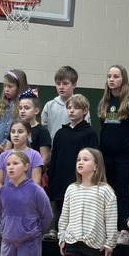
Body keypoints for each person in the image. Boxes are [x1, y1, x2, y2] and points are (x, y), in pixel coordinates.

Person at [0, 151, 53, 256]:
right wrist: (7, 229)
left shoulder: (35, 190)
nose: (11, 167)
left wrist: (35, 232)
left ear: (26, 166)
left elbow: (47, 215)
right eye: (8, 164)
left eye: (16, 163)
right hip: (8, 241)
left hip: (29, 241)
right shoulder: (2, 191)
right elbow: (1, 213)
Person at [97, 65, 129, 244]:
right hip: (106, 155)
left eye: (115, 76)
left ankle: (124, 229)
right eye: (109, 76)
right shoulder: (105, 102)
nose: (111, 79)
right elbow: (105, 128)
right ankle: (109, 229)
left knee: (122, 191)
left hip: (123, 155)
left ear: (123, 79)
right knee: (108, 191)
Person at [59, 148, 117, 256]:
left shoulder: (105, 190)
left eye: (85, 160)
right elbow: (64, 217)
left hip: (95, 243)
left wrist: (109, 244)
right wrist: (62, 236)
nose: (80, 162)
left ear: (96, 166)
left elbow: (111, 219)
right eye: (79, 160)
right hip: (72, 241)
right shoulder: (71, 189)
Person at [48, 93, 99, 223]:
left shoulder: (89, 133)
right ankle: (58, 229)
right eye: (69, 107)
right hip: (61, 178)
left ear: (85, 111)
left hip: (79, 179)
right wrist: (51, 179)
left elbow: (94, 159)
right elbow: (54, 158)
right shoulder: (60, 133)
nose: (71, 110)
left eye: (76, 108)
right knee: (60, 207)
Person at [0, 69, 29, 165]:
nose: (6, 89)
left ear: (19, 87)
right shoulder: (0, 105)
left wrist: (7, 143)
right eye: (5, 86)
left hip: (16, 152)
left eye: (10, 86)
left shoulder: (23, 107)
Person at [41, 65, 90, 142]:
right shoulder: (49, 106)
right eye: (58, 83)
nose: (61, 87)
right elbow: (44, 130)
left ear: (74, 85)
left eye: (65, 83)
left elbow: (87, 128)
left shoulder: (81, 106)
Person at [0, 119, 43, 189]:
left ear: (28, 135)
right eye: (13, 132)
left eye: (20, 132)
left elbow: (36, 182)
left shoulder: (35, 155)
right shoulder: (4, 155)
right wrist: (3, 195)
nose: (16, 135)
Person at [17, 92, 52, 166]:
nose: (22, 111)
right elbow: (7, 151)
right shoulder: (15, 129)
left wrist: (35, 170)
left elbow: (45, 157)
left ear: (36, 111)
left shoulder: (42, 131)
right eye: (20, 108)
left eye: (26, 108)